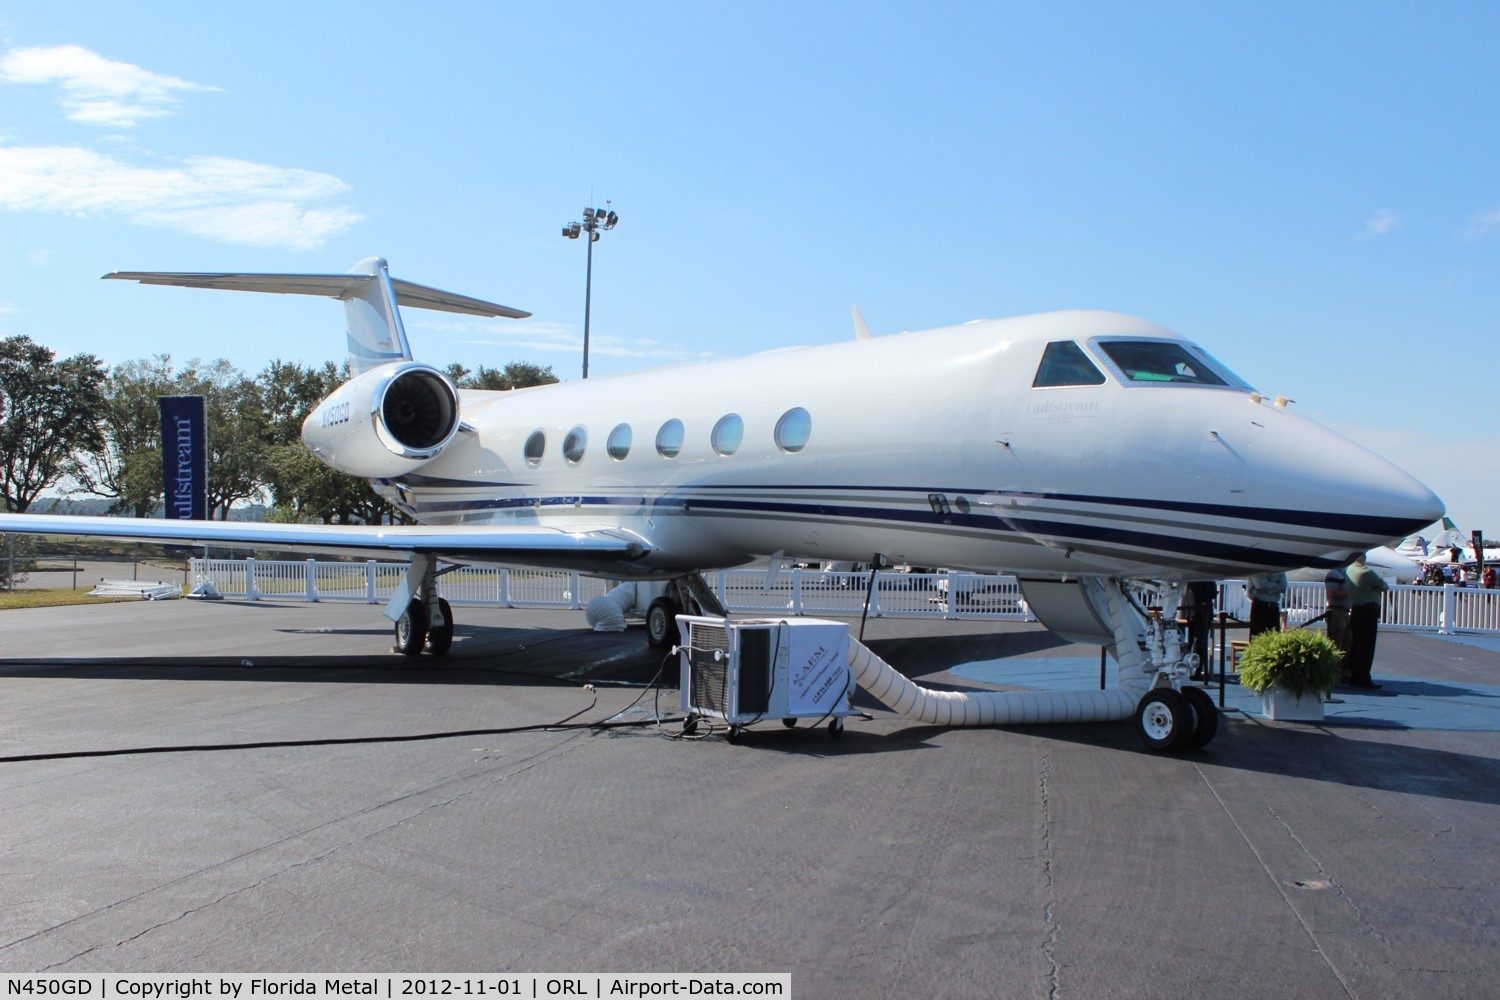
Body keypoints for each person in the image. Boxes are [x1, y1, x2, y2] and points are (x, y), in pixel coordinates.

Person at [1344, 552, 1389, 689]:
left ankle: (1354, 676)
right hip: (1368, 611)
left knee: (1356, 645)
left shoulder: (1349, 570)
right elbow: (1384, 586)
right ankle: (1363, 677)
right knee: (1366, 646)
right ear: (1362, 557)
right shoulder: (1366, 572)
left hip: (1356, 610)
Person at [1324, 561, 1353, 659]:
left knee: (1347, 644)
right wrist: (1350, 592)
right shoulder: (1334, 573)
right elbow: (1331, 593)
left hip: (1345, 611)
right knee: (1336, 644)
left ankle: (1343, 670)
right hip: (1336, 611)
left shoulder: (1344, 574)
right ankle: (1334, 670)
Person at [1246, 570, 1287, 638]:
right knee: (1257, 636)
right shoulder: (1257, 567)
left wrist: (1268, 588)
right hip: (1259, 606)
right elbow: (1261, 585)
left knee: (1274, 637)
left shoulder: (1279, 568)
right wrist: (1276, 586)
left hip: (1274, 607)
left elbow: (1283, 586)